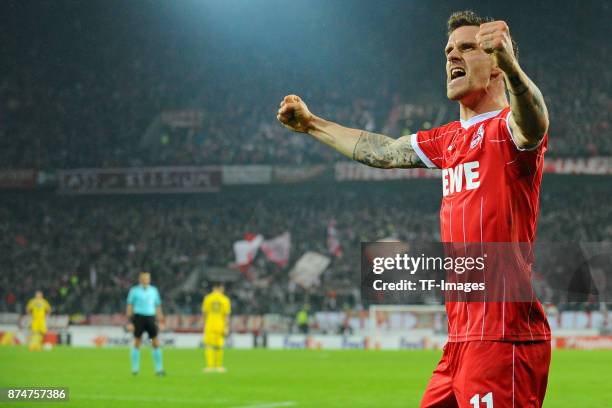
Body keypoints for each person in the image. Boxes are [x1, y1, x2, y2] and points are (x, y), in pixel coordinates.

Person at [277, 10, 551, 407]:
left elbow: (535, 122)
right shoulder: (448, 141)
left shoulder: (508, 131)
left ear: (494, 62)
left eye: (467, 48)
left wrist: (512, 68)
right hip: (459, 343)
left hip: (502, 338)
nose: (452, 57)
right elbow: (384, 152)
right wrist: (312, 124)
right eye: (448, 50)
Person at [126, 271, 165, 376]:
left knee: (154, 342)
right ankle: (135, 369)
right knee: (137, 342)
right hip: (138, 319)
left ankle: (159, 369)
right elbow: (130, 306)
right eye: (143, 278)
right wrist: (129, 322)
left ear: (149, 279)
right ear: (140, 279)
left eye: (147, 278)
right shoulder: (134, 291)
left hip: (150, 319)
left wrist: (161, 321)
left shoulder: (153, 291)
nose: (145, 280)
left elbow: (158, 306)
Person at [202, 282, 231, 373]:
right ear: (219, 288)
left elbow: (204, 313)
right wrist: (226, 327)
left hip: (210, 325)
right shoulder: (225, 299)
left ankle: (209, 367)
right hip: (220, 325)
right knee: (219, 346)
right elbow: (226, 315)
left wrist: (205, 323)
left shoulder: (207, 298)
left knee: (209, 346)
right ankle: (218, 366)